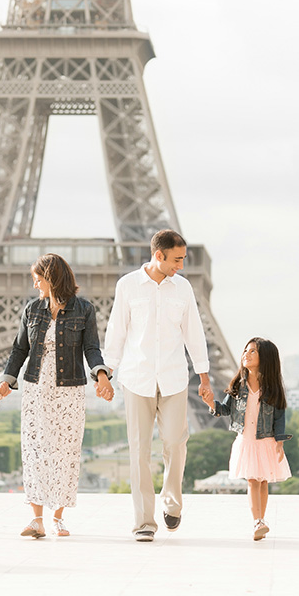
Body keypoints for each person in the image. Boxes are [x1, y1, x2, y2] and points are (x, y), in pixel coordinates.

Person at [0, 254, 113, 538]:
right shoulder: (32, 310)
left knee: (65, 452)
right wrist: (6, 381)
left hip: (69, 389)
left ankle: (58, 515)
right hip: (36, 387)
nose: (35, 285)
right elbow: (19, 350)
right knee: (34, 450)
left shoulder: (84, 309)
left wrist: (102, 375)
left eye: (38, 279)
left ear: (52, 277)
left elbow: (91, 348)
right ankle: (37, 519)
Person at [103, 229, 214, 542]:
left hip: (175, 377)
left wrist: (204, 377)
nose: (181, 264)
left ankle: (172, 501)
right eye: (177, 259)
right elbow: (117, 329)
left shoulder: (183, 288)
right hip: (136, 378)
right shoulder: (127, 285)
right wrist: (106, 371)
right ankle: (143, 521)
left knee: (176, 443)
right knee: (139, 451)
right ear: (159, 255)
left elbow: (194, 332)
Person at [203, 337, 292, 541]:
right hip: (247, 441)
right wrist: (211, 403)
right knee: (253, 480)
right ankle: (257, 522)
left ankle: (260, 520)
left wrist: (279, 443)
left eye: (252, 351)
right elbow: (225, 409)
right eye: (246, 350)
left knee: (262, 482)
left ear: (266, 358)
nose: (246, 354)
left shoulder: (273, 389)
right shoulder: (238, 385)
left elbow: (279, 417)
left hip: (266, 442)